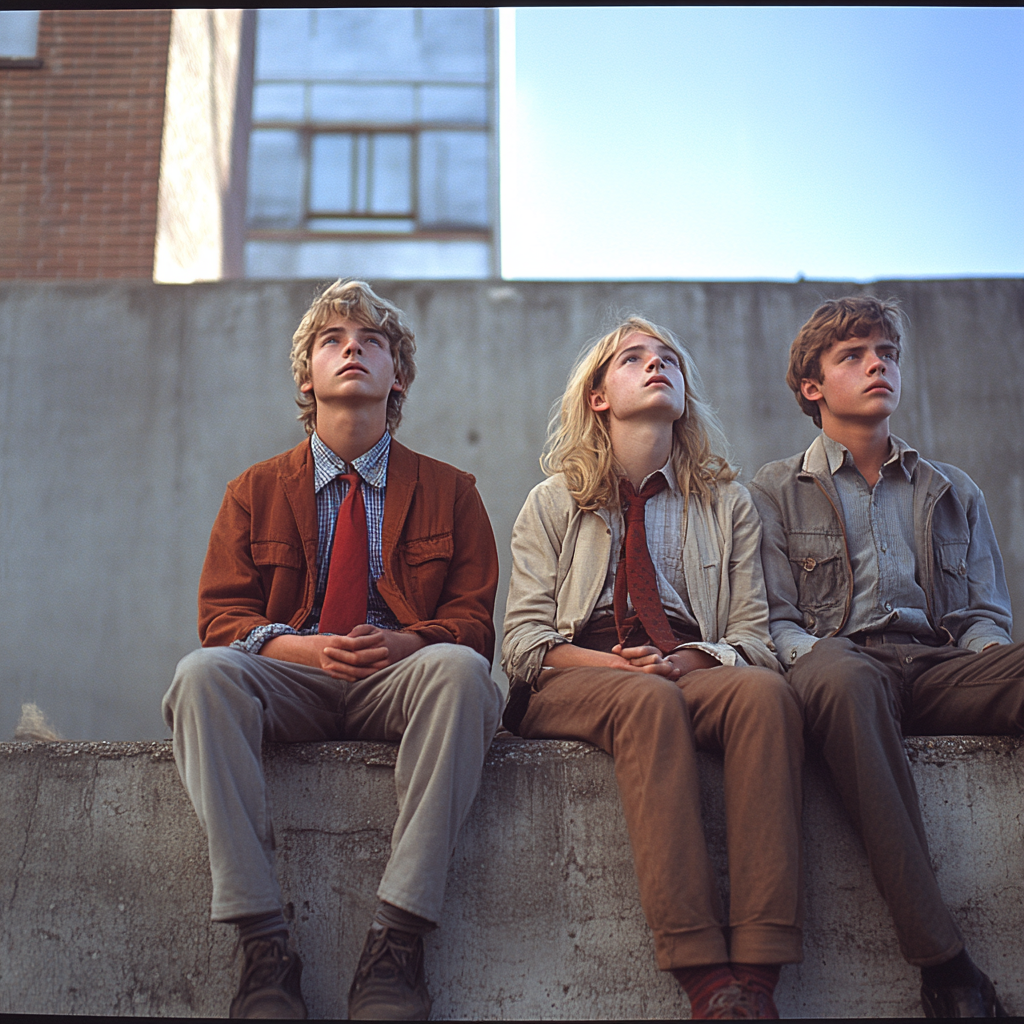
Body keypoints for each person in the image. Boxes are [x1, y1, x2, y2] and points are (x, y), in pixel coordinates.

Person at [162, 279, 502, 1020]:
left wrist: (409, 639)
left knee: (463, 671)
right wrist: (300, 649)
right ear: (307, 376)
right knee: (201, 677)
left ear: (397, 376)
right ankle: (263, 947)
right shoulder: (253, 491)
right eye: (332, 341)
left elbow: (474, 623)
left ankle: (395, 944)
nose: (352, 349)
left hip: (398, 680)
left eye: (371, 342)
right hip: (292, 677)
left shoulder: (452, 491)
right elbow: (222, 618)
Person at [502, 317, 804, 1020]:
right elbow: (521, 643)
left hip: (690, 663)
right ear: (599, 396)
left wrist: (683, 659)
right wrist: (616, 666)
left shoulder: (725, 503)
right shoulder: (552, 501)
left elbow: (753, 635)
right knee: (648, 704)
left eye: (668, 357)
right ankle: (702, 974)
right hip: (578, 674)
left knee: (764, 697)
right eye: (633, 358)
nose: (655, 365)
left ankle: (755, 978)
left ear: (685, 393)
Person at [750, 295, 1020, 1018]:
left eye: (888, 353)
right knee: (840, 680)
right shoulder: (773, 491)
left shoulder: (952, 489)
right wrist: (814, 660)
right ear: (812, 386)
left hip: (940, 667)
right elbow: (773, 622)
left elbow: (986, 615)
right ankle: (945, 964)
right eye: (855, 355)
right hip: (841, 664)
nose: (879, 365)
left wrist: (988, 666)